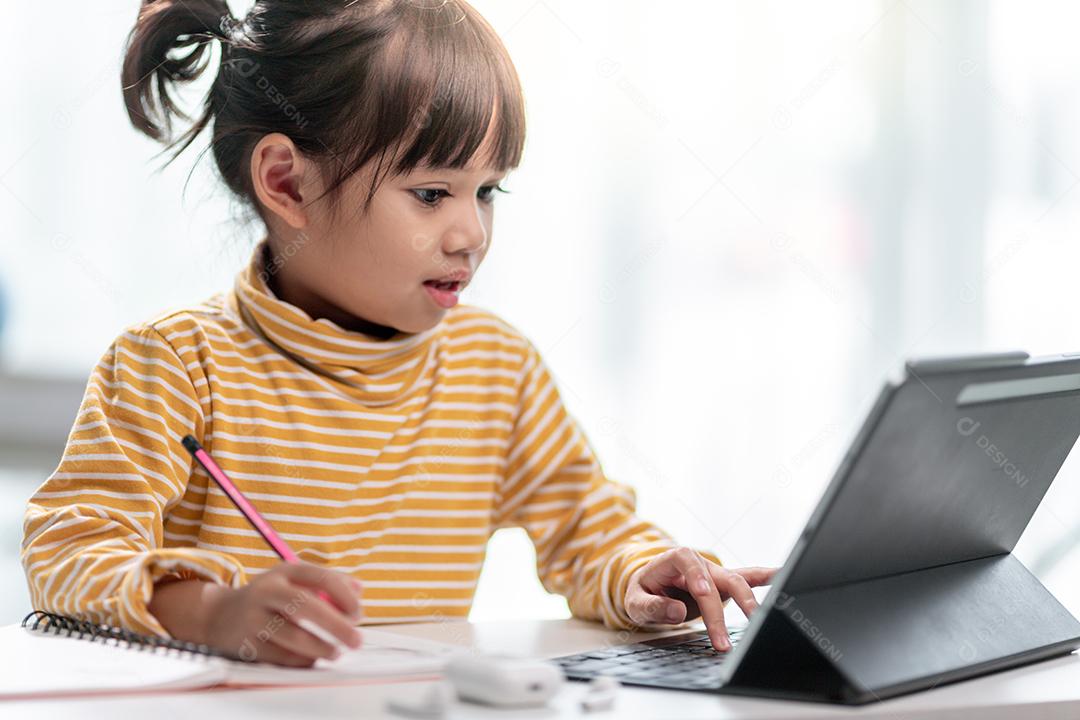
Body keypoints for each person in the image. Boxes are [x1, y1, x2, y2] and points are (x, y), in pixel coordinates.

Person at [21, 0, 775, 668]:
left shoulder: (495, 368)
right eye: (431, 193)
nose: (471, 232)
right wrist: (215, 615)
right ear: (288, 182)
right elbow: (70, 551)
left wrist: (643, 573)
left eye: (488, 191)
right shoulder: (174, 363)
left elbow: (589, 529)